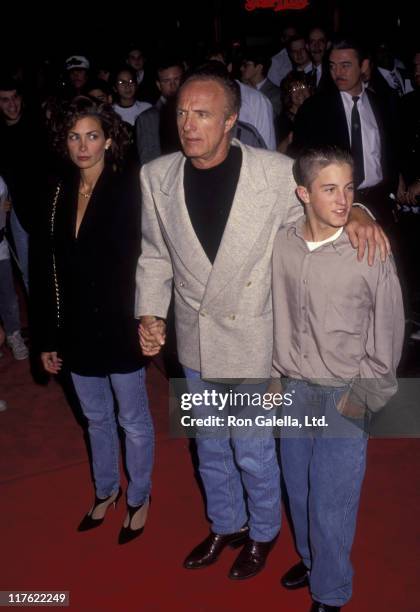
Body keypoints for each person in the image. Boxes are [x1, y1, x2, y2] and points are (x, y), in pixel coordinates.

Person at [135, 69, 388, 580]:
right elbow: (155, 255)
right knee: (208, 444)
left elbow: (326, 188)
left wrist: (357, 208)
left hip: (252, 335)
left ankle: (263, 531)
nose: (187, 124)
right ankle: (225, 523)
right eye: (181, 112)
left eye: (202, 114)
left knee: (251, 449)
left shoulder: (273, 172)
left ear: (231, 120)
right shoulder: (155, 176)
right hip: (194, 337)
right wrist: (149, 311)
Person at [272, 146, 404, 612]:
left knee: (332, 501)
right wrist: (274, 377)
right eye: (330, 189)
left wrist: (365, 400)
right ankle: (312, 561)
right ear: (303, 194)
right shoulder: (283, 243)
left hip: (344, 394)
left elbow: (387, 333)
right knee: (298, 487)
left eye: (350, 189)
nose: (344, 200)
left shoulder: (369, 251)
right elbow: (276, 314)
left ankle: (330, 592)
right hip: (293, 389)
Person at [32, 96, 153, 544]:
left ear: (108, 140)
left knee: (133, 419)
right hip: (77, 329)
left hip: (120, 325)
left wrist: (147, 317)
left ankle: (140, 495)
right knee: (96, 418)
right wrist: (47, 337)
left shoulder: (128, 186)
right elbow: (46, 268)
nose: (83, 146)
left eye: (92, 136)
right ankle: (106, 490)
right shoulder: (58, 190)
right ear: (64, 142)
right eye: (74, 137)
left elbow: (145, 260)